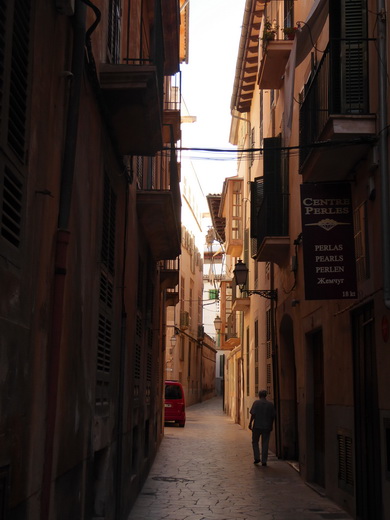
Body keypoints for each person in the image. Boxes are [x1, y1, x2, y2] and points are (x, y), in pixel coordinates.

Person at [249, 390, 275, 466]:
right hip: (267, 426)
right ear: (266, 395)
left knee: (255, 442)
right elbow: (273, 416)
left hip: (257, 426)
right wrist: (271, 425)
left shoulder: (256, 403)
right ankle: (264, 460)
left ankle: (257, 457)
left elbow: (253, 415)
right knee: (265, 443)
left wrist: (250, 423)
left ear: (259, 395)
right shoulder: (270, 404)